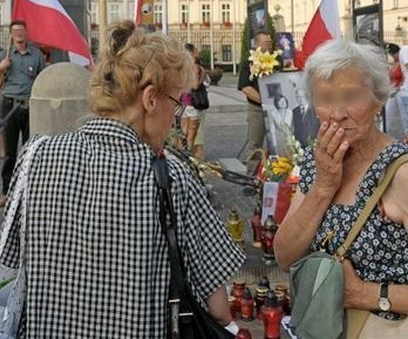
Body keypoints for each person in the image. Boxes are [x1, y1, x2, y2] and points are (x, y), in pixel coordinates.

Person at [0, 20, 244, 338]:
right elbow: (219, 310)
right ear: (150, 98)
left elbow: (12, 255)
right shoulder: (172, 177)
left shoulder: (35, 155)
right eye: (176, 103)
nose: (176, 118)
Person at [274, 39, 408, 324]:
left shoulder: (400, 172)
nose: (337, 113)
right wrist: (323, 187)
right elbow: (285, 256)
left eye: (350, 97)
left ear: (379, 99)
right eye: (325, 99)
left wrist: (363, 293)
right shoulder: (319, 161)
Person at [0, 20, 45, 207]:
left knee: (30, 150)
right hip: (10, 105)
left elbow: (42, 78)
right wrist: (2, 67)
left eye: (21, 30)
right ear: (11, 35)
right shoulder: (5, 54)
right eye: (15, 31)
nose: (19, 33)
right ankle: (7, 192)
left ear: (27, 33)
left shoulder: (36, 55)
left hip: (29, 105)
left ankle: (28, 190)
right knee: (10, 153)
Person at [238, 29, 272, 173]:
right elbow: (244, 87)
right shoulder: (249, 63)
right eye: (266, 42)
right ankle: (251, 176)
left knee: (275, 144)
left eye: (270, 41)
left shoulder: (275, 60)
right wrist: (264, 101)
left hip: (275, 110)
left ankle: (274, 174)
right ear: (257, 44)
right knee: (255, 144)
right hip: (257, 110)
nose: (269, 44)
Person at [181, 43, 207, 159]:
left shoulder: (183, 66)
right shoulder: (195, 66)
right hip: (194, 102)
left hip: (184, 101)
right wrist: (203, 76)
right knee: (192, 132)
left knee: (185, 132)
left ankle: (184, 154)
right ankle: (189, 157)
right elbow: (196, 85)